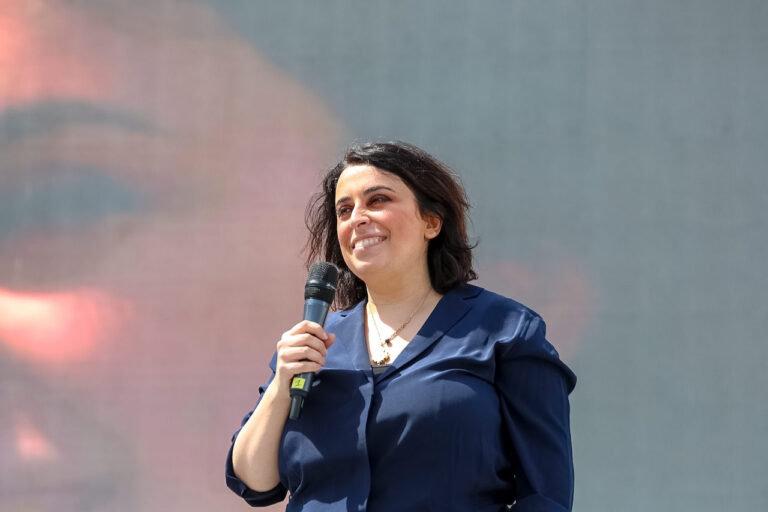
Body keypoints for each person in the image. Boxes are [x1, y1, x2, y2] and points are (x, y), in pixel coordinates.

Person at [226, 141, 576, 511]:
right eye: (344, 210)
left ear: (431, 222)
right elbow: (254, 483)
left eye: (377, 200)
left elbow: (546, 494)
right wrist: (281, 385)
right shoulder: (314, 341)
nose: (357, 217)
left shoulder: (505, 329)